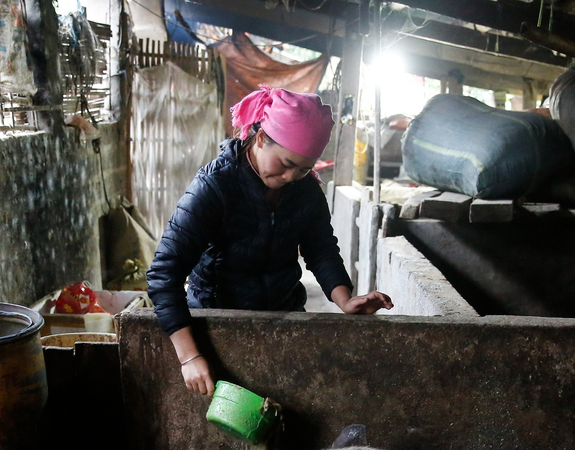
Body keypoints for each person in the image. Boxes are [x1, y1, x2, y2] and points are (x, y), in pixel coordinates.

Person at [146, 85, 393, 396]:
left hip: (284, 320)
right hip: (217, 324)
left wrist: (344, 300)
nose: (291, 177)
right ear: (261, 138)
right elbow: (163, 274)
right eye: (286, 163)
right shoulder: (214, 187)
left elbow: (320, 249)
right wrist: (189, 356)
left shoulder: (305, 191)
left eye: (304, 169)